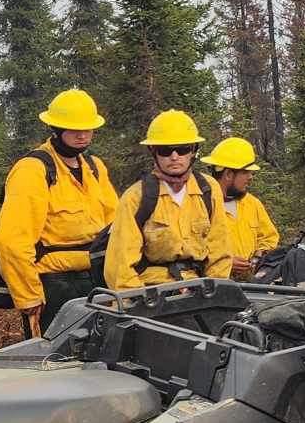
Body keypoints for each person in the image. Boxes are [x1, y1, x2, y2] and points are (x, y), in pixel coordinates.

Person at [0, 88, 119, 337]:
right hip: (55, 284)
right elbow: (11, 241)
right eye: (74, 129)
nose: (82, 135)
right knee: (52, 366)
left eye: (87, 128)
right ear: (55, 128)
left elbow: (116, 229)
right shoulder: (33, 170)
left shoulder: (95, 168)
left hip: (97, 280)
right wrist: (29, 297)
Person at [101, 110, 234, 291]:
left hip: (199, 288)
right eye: (165, 150)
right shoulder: (136, 197)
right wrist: (141, 300)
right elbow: (120, 268)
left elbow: (220, 251)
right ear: (153, 152)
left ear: (193, 151)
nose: (174, 156)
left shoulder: (208, 189)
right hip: (152, 290)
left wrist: (212, 290)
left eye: (182, 149)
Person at [203, 136, 278, 280]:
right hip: (215, 287)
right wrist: (225, 263)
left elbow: (269, 238)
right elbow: (190, 250)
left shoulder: (252, 204)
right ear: (228, 174)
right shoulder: (201, 205)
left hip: (251, 286)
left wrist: (258, 257)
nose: (251, 177)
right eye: (245, 172)